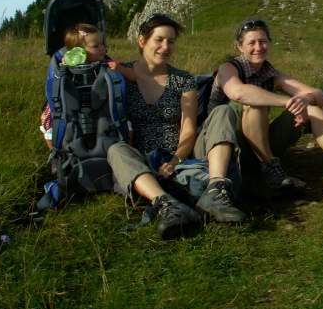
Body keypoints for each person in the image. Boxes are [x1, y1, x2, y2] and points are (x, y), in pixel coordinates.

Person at [106, 13, 247, 238]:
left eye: (171, 41)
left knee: (223, 111)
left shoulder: (183, 79)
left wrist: (175, 160)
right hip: (143, 159)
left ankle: (216, 190)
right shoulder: (119, 75)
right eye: (159, 40)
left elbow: (189, 130)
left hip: (184, 155)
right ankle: (167, 204)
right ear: (142, 41)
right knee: (115, 150)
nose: (165, 47)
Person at [206, 18, 323, 191]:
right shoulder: (228, 69)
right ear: (240, 46)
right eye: (251, 43)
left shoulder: (270, 74)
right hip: (226, 146)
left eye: (263, 41)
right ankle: (270, 168)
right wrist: (289, 103)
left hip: (257, 143)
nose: (258, 48)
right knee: (254, 103)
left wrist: (305, 100)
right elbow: (238, 93)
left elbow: (320, 96)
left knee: (312, 108)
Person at [40, 23, 134, 150]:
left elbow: (133, 77)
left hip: (103, 104)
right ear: (78, 51)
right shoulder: (66, 65)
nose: (102, 49)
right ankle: (56, 153)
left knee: (126, 124)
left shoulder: (107, 63)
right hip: (72, 103)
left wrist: (120, 69)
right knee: (47, 120)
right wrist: (65, 67)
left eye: (102, 44)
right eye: (96, 46)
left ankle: (128, 149)